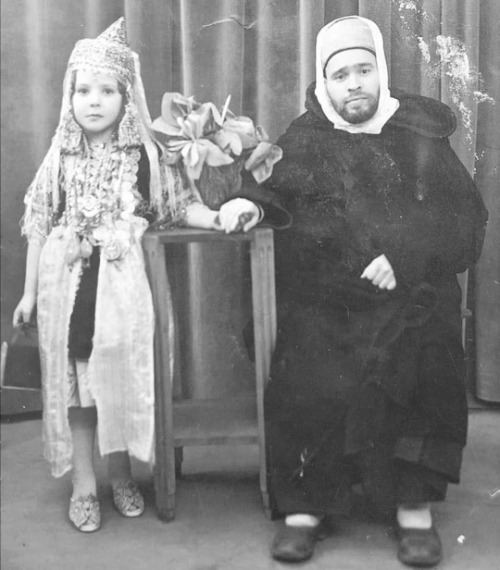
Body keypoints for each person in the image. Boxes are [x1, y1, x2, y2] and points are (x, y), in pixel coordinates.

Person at [12, 18, 263, 533]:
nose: (94, 101)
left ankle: (122, 474)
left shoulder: (145, 156)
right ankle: (85, 481)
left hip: (122, 293)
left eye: (107, 91)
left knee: (116, 384)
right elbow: (38, 221)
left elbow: (178, 208)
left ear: (127, 99)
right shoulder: (60, 154)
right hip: (72, 291)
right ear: (70, 95)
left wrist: (217, 217)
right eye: (84, 90)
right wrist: (29, 292)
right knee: (79, 391)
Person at [263, 16, 488, 567]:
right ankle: (307, 504)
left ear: (381, 71)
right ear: (324, 84)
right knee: (307, 346)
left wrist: (405, 257)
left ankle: (413, 505)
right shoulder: (304, 138)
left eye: (364, 69)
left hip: (410, 294)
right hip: (332, 294)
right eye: (340, 75)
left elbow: (463, 220)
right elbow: (284, 214)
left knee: (424, 345)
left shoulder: (418, 133)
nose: (354, 84)